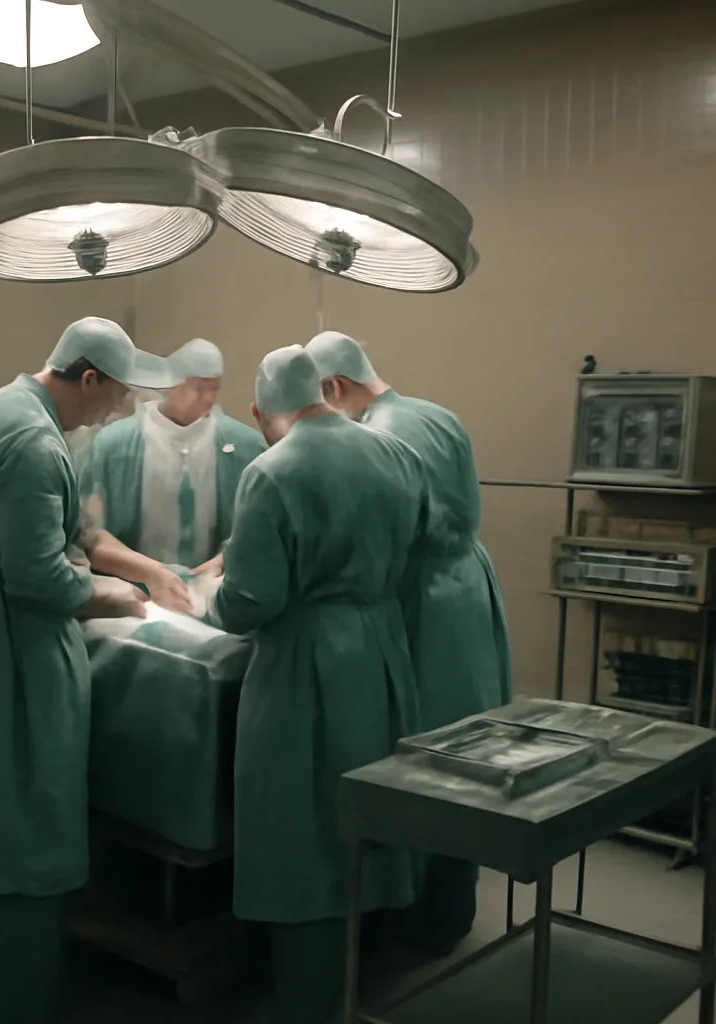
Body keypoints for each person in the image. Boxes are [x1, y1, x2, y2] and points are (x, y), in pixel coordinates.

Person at [0, 316, 173, 1024]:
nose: (115, 412)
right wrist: (114, 593)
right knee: (14, 818)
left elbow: (4, 536)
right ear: (88, 378)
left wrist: (89, 561)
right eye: (115, 397)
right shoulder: (34, 442)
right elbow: (37, 580)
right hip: (9, 657)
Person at [206, 345, 426, 1024]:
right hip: (382, 652)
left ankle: (305, 1001)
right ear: (324, 392)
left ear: (258, 412)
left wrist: (205, 594)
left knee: (300, 830)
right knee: (364, 817)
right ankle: (360, 980)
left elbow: (250, 600)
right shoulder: (395, 454)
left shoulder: (272, 471)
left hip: (306, 666)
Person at [305, 329, 512, 954]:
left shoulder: (373, 438)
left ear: (333, 388)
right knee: (471, 744)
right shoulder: (437, 416)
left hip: (421, 601)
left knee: (422, 756)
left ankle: (411, 921)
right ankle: (454, 908)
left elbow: (370, 538)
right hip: (470, 587)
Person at [79, 337, 266, 595]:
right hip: (135, 597)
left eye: (214, 388)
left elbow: (261, 534)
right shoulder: (114, 446)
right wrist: (153, 573)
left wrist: (221, 563)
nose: (207, 398)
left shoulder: (245, 447)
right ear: (172, 384)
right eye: (199, 387)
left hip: (217, 597)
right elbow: (90, 536)